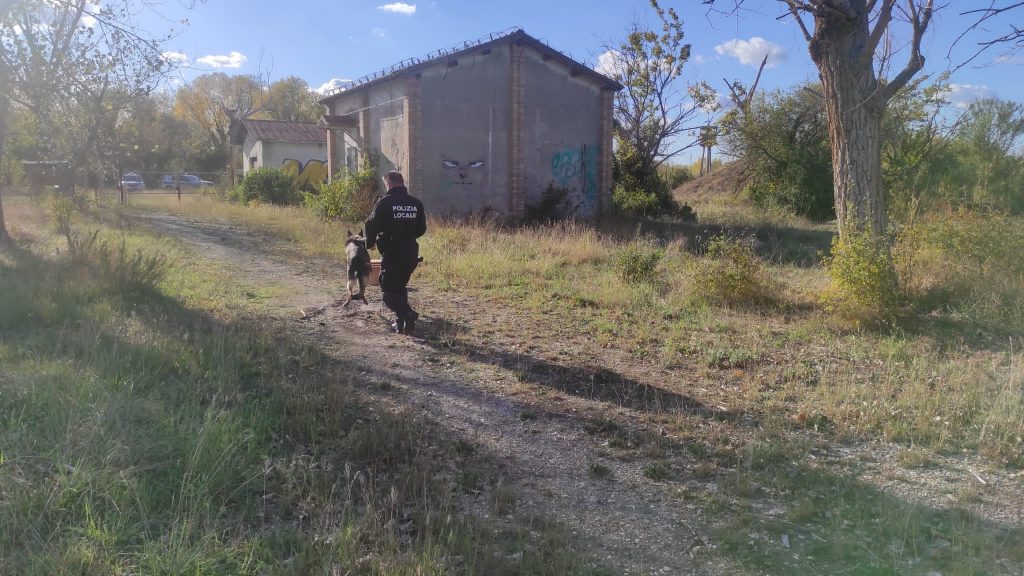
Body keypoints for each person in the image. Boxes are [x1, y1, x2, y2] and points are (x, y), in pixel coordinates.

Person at [365, 170, 426, 335]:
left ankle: (408, 314)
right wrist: (407, 236)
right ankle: (402, 325)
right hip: (411, 252)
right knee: (399, 287)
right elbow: (422, 229)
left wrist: (370, 243)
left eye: (386, 185)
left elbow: (370, 224)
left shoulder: (384, 203)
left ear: (390, 184)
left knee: (388, 292)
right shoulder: (416, 203)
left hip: (392, 251)